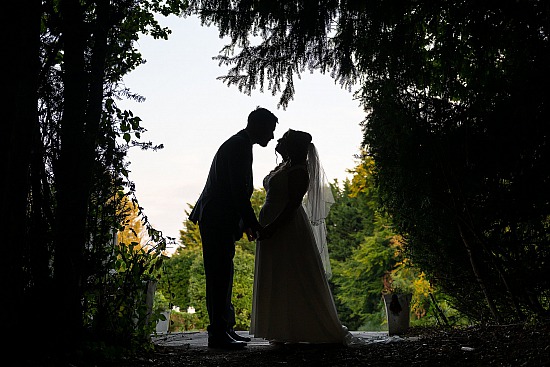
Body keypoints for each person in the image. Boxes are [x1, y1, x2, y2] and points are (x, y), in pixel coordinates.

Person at [251, 129, 361, 346]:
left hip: (287, 226)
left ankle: (303, 326)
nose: (278, 141)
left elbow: (292, 205)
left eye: (284, 139)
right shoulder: (285, 166)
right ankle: (280, 328)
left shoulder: (300, 171)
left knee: (292, 274)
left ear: (293, 146)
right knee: (278, 274)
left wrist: (273, 227)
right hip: (271, 222)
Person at [189, 107, 278, 349]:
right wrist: (254, 224)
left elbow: (236, 192)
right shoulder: (239, 146)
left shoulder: (239, 144)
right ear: (258, 126)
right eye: (270, 130)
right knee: (218, 274)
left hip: (219, 217)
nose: (271, 137)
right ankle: (218, 333)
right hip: (216, 217)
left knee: (223, 272)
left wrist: (244, 223)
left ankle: (225, 328)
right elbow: (238, 193)